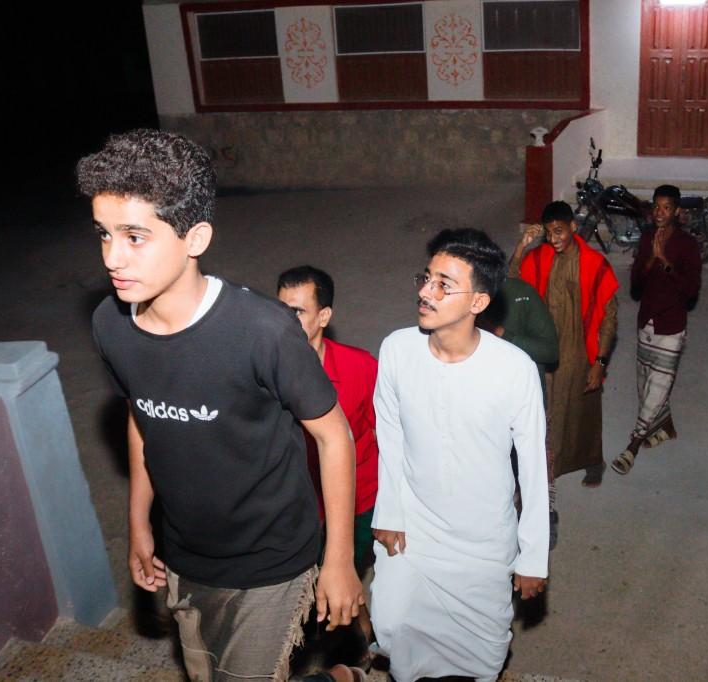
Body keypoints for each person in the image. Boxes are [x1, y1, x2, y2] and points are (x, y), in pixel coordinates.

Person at [81, 129, 363, 682]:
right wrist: (139, 521)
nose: (113, 257)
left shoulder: (263, 330)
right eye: (104, 234)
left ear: (196, 237)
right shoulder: (110, 324)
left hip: (272, 562)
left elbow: (334, 436)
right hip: (185, 553)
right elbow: (141, 417)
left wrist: (338, 558)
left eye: (135, 236)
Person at [370, 228, 549, 682]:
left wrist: (532, 556)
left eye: (444, 285)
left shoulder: (514, 369)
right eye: (426, 278)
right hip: (415, 528)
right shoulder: (397, 350)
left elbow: (532, 468)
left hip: (483, 541)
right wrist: (389, 511)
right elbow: (389, 435)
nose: (426, 292)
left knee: (482, 655)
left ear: (479, 302)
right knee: (392, 627)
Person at [277, 265, 378, 647]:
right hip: (297, 504)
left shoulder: (360, 367)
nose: (286, 321)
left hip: (359, 500)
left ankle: (360, 637)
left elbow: (391, 436)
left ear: (324, 316)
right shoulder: (267, 368)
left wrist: (397, 509)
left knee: (342, 573)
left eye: (297, 311)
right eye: (281, 310)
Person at [510, 201, 619, 487]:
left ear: (573, 226)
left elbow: (609, 319)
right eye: (548, 233)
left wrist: (600, 362)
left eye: (558, 231)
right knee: (545, 411)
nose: (553, 239)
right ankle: (548, 469)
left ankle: (593, 461)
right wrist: (521, 247)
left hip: (580, 350)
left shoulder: (595, 264)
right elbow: (512, 284)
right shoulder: (540, 257)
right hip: (545, 346)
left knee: (585, 409)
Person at [612, 185, 701, 475]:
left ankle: (633, 444)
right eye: (656, 206)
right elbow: (636, 286)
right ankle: (667, 428)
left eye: (666, 207)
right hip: (647, 321)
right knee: (645, 385)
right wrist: (651, 257)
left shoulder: (688, 244)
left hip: (671, 325)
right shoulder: (647, 237)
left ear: (677, 211)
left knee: (658, 386)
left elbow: (691, 290)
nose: (660, 212)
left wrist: (665, 262)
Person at [479, 275, 560, 548]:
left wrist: (505, 335)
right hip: (482, 410)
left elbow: (549, 351)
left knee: (535, 467)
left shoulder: (520, 294)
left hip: (523, 406)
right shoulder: (454, 300)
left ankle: (545, 516)